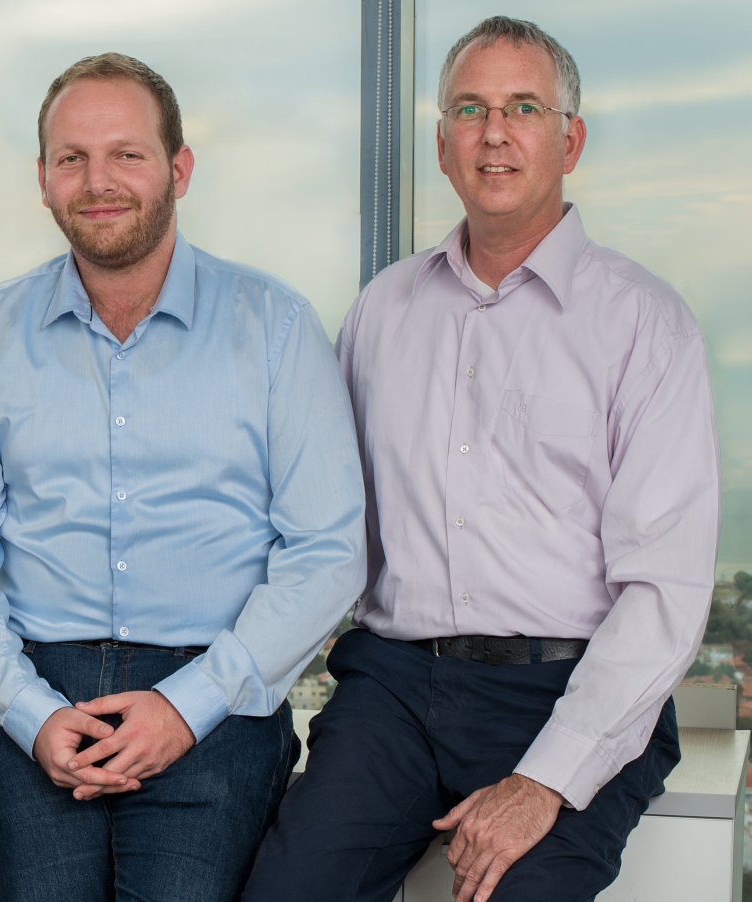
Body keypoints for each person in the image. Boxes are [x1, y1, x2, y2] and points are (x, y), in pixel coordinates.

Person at [244, 16, 717, 902]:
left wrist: (543, 781)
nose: (493, 132)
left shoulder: (643, 324)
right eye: (469, 109)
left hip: (567, 686)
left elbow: (665, 591)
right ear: (440, 145)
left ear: (569, 140)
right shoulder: (380, 312)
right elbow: (323, 522)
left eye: (523, 108)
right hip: (391, 692)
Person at [0, 53, 366, 902]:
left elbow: (327, 551)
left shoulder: (274, 328)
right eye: (71, 158)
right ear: (42, 180)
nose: (98, 182)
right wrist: (28, 710)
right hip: (35, 695)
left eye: (126, 154)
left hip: (218, 697)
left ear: (177, 170)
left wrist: (188, 704)